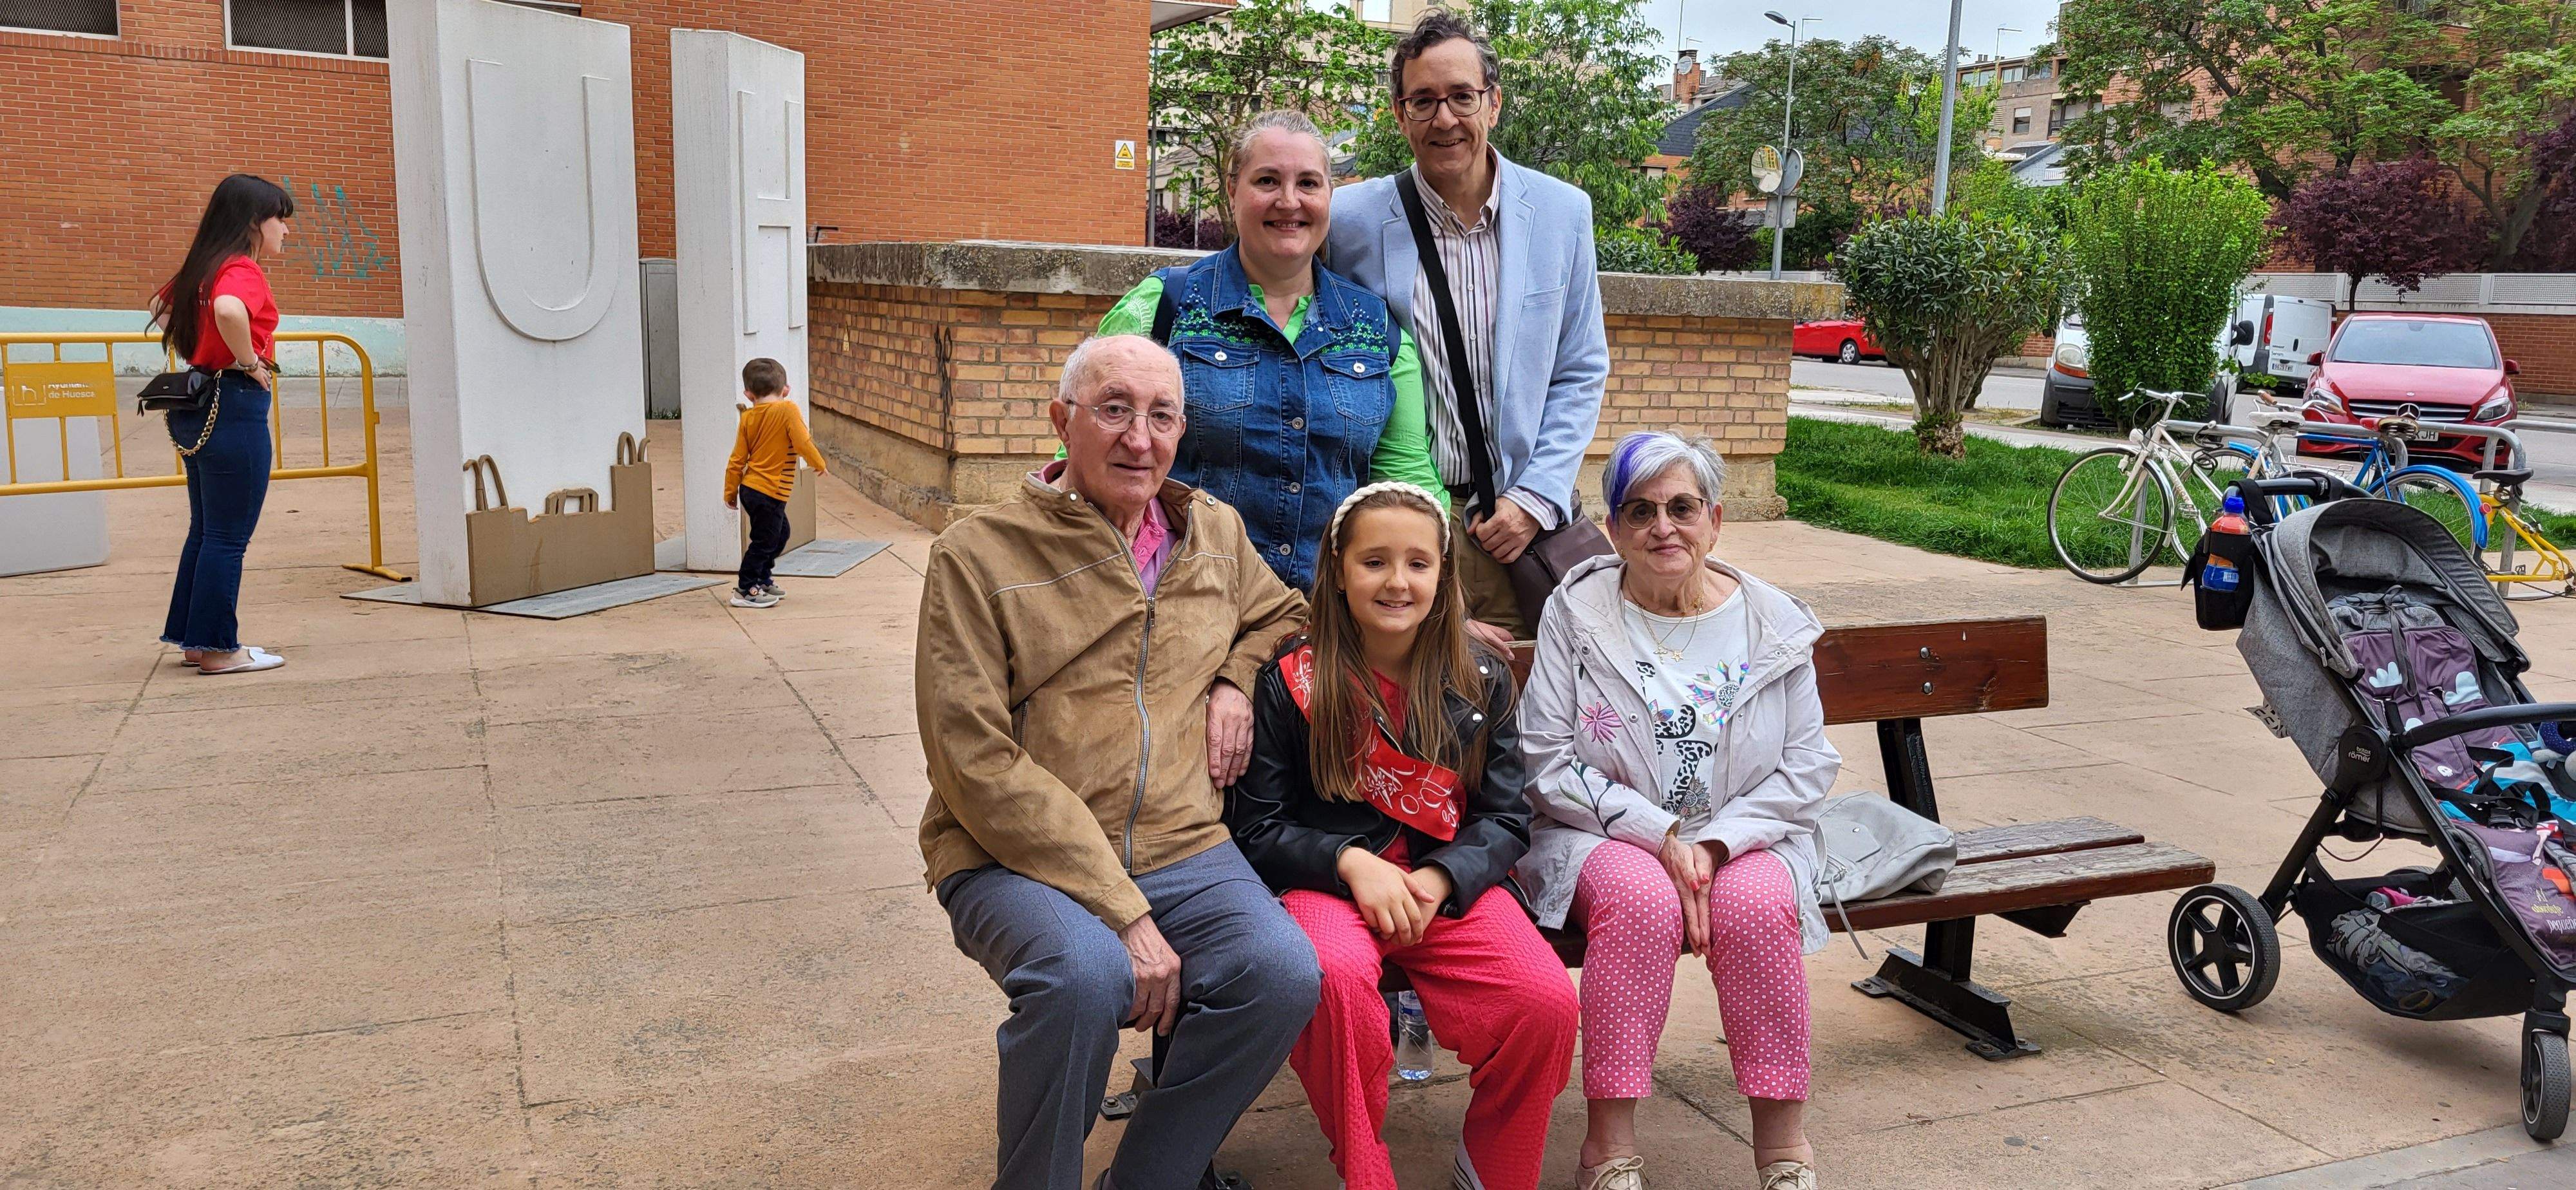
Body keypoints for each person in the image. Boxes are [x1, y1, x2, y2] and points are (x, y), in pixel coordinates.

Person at [916, 334, 1319, 1190]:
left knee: (1280, 974)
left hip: (1182, 842)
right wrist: (1124, 913)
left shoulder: (1210, 530)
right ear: (1063, 421)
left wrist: (1234, 682)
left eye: (1161, 415)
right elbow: (972, 760)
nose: (1140, 438)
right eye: (1114, 411)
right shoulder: (978, 555)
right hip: (1010, 857)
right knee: (1081, 977)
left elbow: (1285, 613)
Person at [1227, 481, 1577, 1190]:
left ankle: (1495, 1167)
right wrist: (1349, 861)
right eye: (1374, 562)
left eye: (1418, 563)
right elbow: (1257, 826)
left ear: (1444, 574)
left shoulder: (1479, 678)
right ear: (1338, 570)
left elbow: (1506, 818)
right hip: (1328, 884)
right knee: (1333, 983)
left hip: (1443, 883)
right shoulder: (1291, 679)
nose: (1397, 581)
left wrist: (1443, 877)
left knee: (1544, 1001)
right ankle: (1364, 1167)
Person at [1517, 433, 1836, 1190]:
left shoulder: (1774, 622)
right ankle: (1608, 1149)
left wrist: (1717, 844)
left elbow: (1807, 765)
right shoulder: (1578, 612)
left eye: (1682, 507)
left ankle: (1785, 1151)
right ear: (1615, 529)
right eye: (1640, 511)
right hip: (1603, 833)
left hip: (1742, 835)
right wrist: (1657, 834)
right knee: (1639, 899)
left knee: (1760, 907)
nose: (1664, 527)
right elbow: (1544, 758)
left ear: (1715, 520)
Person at [1323, 9, 1609, 645]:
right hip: (1406, 531)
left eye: (1461, 97)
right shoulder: (1348, 221)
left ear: (1494, 102)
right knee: (1423, 721)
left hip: (1523, 529)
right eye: (1422, 101)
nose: (1444, 118)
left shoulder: (1563, 214)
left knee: (1530, 718)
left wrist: (1534, 498)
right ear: (1399, 115)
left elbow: (1581, 368)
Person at [1098, 109, 1446, 590]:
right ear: (1232, 189)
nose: (1289, 201)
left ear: (1329, 196)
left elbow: (1408, 487)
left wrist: (1444, 601)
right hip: (1186, 611)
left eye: (1308, 183)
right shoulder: (1163, 309)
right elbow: (1089, 460)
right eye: (1267, 180)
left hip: (1327, 624)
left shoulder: (1377, 331)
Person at [150, 173, 296, 677]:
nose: (285, 230)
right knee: (228, 537)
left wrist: (202, 352)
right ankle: (217, 649)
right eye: (280, 218)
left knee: (207, 530)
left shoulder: (204, 266)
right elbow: (230, 308)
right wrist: (248, 360)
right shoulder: (242, 271)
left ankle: (195, 641)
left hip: (199, 399)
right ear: (255, 222)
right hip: (233, 404)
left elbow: (160, 307)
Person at [721, 357, 826, 609]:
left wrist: (731, 490)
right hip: (766, 491)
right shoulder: (788, 410)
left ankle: (763, 579)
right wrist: (818, 462)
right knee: (765, 540)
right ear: (786, 389)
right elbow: (803, 442)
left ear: (748, 394)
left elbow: (738, 458)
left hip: (753, 490)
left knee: (780, 534)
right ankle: (746, 589)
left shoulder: (748, 418)